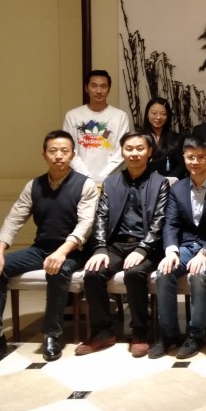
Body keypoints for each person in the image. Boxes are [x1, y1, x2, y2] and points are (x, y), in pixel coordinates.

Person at [0, 130, 98, 363]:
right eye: (53, 151)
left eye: (64, 151)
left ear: (73, 155)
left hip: (75, 250)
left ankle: (52, 334)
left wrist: (61, 252)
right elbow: (14, 219)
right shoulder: (34, 185)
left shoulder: (85, 185)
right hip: (41, 248)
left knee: (58, 270)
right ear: (44, 155)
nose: (58, 156)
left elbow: (86, 224)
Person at [76, 131, 169, 358]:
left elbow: (159, 220)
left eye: (140, 148)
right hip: (116, 244)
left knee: (134, 273)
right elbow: (101, 217)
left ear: (150, 152)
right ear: (122, 152)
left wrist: (143, 249)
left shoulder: (160, 183)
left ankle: (140, 332)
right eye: (129, 149)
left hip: (147, 246)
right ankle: (102, 332)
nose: (134, 153)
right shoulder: (111, 182)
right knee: (93, 273)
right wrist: (100, 248)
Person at [150, 135, 206, 359]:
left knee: (199, 273)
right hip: (186, 246)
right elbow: (171, 223)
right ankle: (169, 334)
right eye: (190, 157)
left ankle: (196, 334)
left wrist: (205, 252)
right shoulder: (177, 188)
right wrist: (171, 250)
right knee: (163, 272)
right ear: (184, 158)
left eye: (201, 157)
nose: (195, 162)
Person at [63, 69, 130, 184]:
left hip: (111, 180)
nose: (99, 91)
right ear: (86, 88)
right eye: (94, 86)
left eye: (103, 86)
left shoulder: (120, 116)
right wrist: (86, 177)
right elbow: (68, 149)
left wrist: (102, 176)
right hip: (79, 180)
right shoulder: (72, 115)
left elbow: (122, 151)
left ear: (109, 89)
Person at [143, 96, 186, 179]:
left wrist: (167, 181)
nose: (158, 117)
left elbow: (182, 165)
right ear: (147, 114)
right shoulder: (139, 138)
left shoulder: (177, 138)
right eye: (154, 113)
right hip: (146, 182)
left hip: (171, 182)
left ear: (168, 116)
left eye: (163, 114)